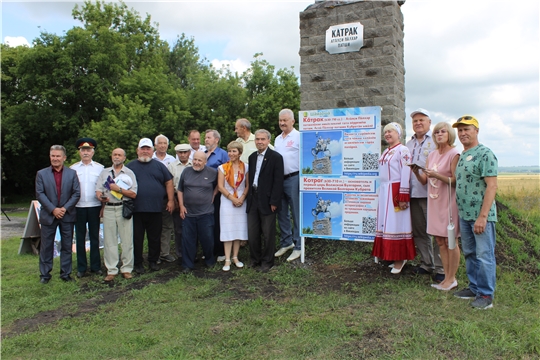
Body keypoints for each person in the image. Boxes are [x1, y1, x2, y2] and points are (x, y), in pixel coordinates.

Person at [452, 115, 498, 309]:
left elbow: (492, 186)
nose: (463, 133)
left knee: (484, 255)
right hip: (465, 215)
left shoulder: (485, 154)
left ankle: (486, 296)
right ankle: (474, 287)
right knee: (470, 252)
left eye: (467, 129)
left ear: (476, 131)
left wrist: (483, 216)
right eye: (460, 130)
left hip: (481, 217)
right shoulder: (463, 155)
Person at [411, 122, 461, 291]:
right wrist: (416, 172)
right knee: (440, 240)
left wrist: (437, 175)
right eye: (436, 132)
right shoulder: (431, 155)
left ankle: (452, 278)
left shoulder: (454, 153)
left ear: (449, 134)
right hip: (434, 200)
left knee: (450, 240)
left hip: (448, 201)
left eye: (442, 131)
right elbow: (426, 180)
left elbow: (455, 181)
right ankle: (445, 278)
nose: (439, 134)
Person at [371, 122, 416, 274]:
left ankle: (400, 258)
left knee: (397, 223)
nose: (387, 134)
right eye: (385, 132)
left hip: (395, 190)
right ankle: (391, 256)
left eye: (390, 131)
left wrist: (403, 194)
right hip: (385, 190)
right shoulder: (386, 151)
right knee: (387, 223)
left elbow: (406, 172)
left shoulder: (403, 150)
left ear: (398, 134)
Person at [406, 108, 444, 282]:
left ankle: (440, 267)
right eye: (415, 121)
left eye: (422, 120)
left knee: (437, 232)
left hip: (432, 194)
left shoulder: (436, 141)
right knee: (420, 231)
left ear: (429, 122)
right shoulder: (409, 144)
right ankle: (426, 263)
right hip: (413, 194)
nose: (418, 123)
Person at [126, 138, 174, 274]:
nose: (145, 151)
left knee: (155, 237)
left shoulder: (159, 166)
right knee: (137, 238)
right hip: (136, 209)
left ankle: (153, 261)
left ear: (152, 151)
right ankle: (138, 263)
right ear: (137, 150)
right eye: (143, 149)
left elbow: (169, 182)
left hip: (156, 208)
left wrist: (171, 200)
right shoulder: (130, 166)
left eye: (148, 149)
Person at [35, 145, 80, 283]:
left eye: (58, 156)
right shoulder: (41, 174)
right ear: (50, 157)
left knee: (67, 246)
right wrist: (53, 209)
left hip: (67, 215)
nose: (55, 158)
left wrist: (64, 209)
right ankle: (45, 275)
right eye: (53, 156)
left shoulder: (72, 173)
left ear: (64, 158)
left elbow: (76, 193)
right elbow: (40, 194)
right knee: (46, 246)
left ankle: (65, 274)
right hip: (49, 215)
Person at [96, 148, 138, 281]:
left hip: (123, 208)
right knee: (109, 241)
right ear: (111, 156)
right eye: (115, 154)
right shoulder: (104, 173)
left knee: (127, 240)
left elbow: (134, 194)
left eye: (119, 155)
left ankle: (126, 268)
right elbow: (98, 191)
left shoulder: (129, 173)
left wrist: (118, 189)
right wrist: (101, 197)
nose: (117, 157)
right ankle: (112, 269)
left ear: (124, 158)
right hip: (108, 208)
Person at [246, 129, 284, 272]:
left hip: (268, 200)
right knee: (252, 232)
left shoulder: (276, 157)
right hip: (253, 198)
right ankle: (255, 259)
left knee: (268, 233)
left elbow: (278, 181)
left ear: (269, 141)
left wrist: (274, 201)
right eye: (257, 139)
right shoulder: (251, 157)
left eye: (263, 139)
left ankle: (267, 262)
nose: (260, 142)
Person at [178, 151, 218, 273]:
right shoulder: (186, 171)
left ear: (205, 162)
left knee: (208, 239)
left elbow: (219, 185)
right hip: (188, 213)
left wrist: (214, 194)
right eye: (195, 159)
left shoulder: (212, 172)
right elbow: (180, 189)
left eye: (200, 160)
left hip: (206, 213)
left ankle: (210, 260)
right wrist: (181, 206)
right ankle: (187, 265)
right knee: (187, 240)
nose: (196, 162)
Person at [70, 138, 104, 278]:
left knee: (95, 237)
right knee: (79, 238)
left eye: (88, 150)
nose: (86, 152)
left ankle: (96, 266)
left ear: (93, 152)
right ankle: (81, 267)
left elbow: (104, 189)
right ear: (79, 152)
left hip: (95, 206)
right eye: (83, 150)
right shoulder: (73, 169)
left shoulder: (100, 168)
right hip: (78, 207)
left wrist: (103, 206)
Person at [274, 109, 301, 262]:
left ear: (293, 121)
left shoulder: (298, 136)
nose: (282, 123)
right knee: (282, 212)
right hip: (279, 180)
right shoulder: (277, 139)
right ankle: (287, 242)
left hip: (294, 178)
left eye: (285, 120)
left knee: (296, 213)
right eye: (280, 120)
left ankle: (298, 246)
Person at [217, 141, 249, 271]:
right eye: (229, 151)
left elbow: (247, 185)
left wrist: (241, 198)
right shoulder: (222, 168)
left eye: (234, 151)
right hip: (227, 201)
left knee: (238, 229)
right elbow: (220, 186)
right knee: (227, 229)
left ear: (240, 153)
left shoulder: (246, 167)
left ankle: (235, 256)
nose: (231, 153)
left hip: (241, 200)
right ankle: (227, 259)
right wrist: (232, 198)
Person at [205, 129, 230, 262]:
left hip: (218, 192)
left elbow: (227, 174)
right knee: (207, 222)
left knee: (218, 221)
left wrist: (217, 191)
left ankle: (220, 250)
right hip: (204, 192)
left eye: (209, 137)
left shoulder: (223, 154)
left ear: (216, 140)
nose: (206, 140)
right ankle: (209, 250)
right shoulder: (203, 154)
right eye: (205, 138)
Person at [152, 134, 176, 264]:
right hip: (153, 197)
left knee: (167, 226)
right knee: (154, 226)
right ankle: (154, 254)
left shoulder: (171, 159)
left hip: (167, 197)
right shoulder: (150, 158)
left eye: (164, 143)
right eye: (159, 143)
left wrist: (172, 199)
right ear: (155, 145)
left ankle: (165, 253)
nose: (162, 145)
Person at [167, 143, 193, 260]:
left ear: (189, 153)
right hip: (177, 197)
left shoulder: (194, 164)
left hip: (193, 198)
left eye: (185, 152)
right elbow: (170, 184)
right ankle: (180, 254)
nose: (183, 155)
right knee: (179, 228)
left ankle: (193, 253)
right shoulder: (172, 166)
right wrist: (173, 200)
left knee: (193, 227)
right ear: (177, 153)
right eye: (180, 152)